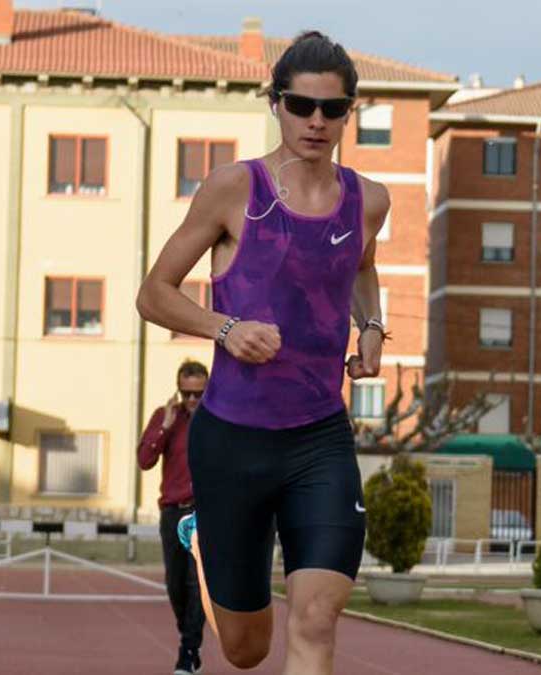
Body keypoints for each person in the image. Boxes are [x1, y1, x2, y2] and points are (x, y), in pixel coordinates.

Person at [135, 31, 389, 674]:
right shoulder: (232, 189)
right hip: (234, 440)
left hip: (319, 440)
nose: (316, 121)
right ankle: (203, 546)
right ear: (275, 104)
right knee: (247, 651)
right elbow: (153, 294)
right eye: (302, 106)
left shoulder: (370, 201)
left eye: (332, 110)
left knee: (315, 618)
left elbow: (361, 270)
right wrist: (224, 329)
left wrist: (373, 328)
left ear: (348, 113)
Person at [137, 359, 208, 675]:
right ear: (179, 391)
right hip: (172, 512)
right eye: (186, 394)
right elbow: (144, 460)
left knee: (198, 586)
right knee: (175, 585)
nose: (192, 400)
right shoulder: (167, 417)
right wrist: (165, 425)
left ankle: (187, 656)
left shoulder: (220, 417)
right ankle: (189, 641)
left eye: (199, 394)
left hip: (205, 514)